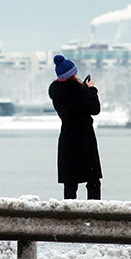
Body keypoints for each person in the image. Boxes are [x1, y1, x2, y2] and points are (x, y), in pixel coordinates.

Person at [48, 55, 102, 200]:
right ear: (73, 74)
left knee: (70, 182)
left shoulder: (57, 92)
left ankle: (69, 213)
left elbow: (73, 102)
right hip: (84, 138)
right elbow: (95, 109)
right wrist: (92, 90)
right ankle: (94, 212)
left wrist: (84, 90)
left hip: (67, 138)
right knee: (93, 181)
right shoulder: (80, 91)